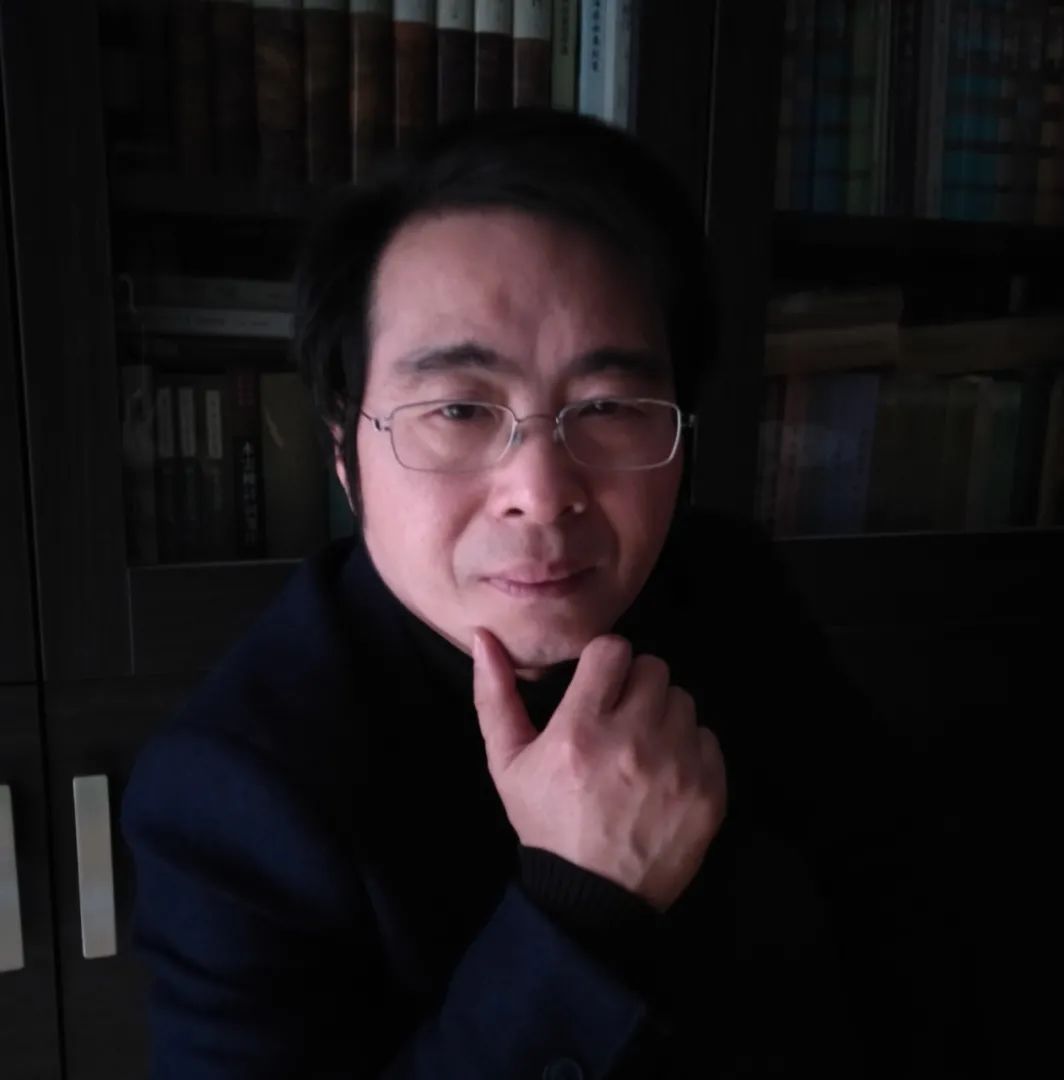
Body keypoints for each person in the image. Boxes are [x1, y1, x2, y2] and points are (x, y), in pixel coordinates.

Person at [122, 108, 940, 1078]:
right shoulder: (232, 795)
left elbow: (899, 934)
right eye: (459, 409)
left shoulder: (731, 587)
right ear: (345, 450)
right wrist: (581, 909)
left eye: (609, 406)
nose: (542, 493)